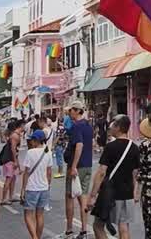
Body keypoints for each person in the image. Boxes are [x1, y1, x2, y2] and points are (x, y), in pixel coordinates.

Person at [89, 115, 141, 239]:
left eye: (112, 124)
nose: (110, 127)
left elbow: (102, 172)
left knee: (98, 225)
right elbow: (135, 173)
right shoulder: (134, 148)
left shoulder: (110, 147)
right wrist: (135, 192)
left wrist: (92, 195)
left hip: (110, 193)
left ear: (118, 127)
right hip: (127, 193)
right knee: (124, 228)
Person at [65, 101, 95, 239]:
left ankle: (69, 230)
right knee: (83, 196)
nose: (70, 112)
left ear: (77, 111)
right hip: (88, 164)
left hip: (77, 165)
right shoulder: (88, 125)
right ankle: (83, 229)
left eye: (71, 110)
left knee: (70, 196)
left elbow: (79, 145)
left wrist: (73, 166)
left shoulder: (76, 126)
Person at [21, 129, 54, 239]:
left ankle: (34, 237)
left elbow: (26, 173)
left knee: (28, 215)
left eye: (32, 140)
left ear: (36, 140)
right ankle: (38, 237)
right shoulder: (48, 152)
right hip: (44, 187)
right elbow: (49, 172)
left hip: (31, 188)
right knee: (40, 215)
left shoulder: (30, 153)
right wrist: (48, 185)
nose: (31, 142)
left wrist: (22, 189)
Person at [0, 120, 22, 205]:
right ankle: (4, 198)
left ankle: (10, 197)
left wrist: (18, 164)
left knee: (13, 178)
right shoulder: (14, 136)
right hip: (9, 160)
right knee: (9, 178)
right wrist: (15, 162)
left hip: (11, 159)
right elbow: (13, 149)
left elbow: (15, 151)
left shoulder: (15, 135)